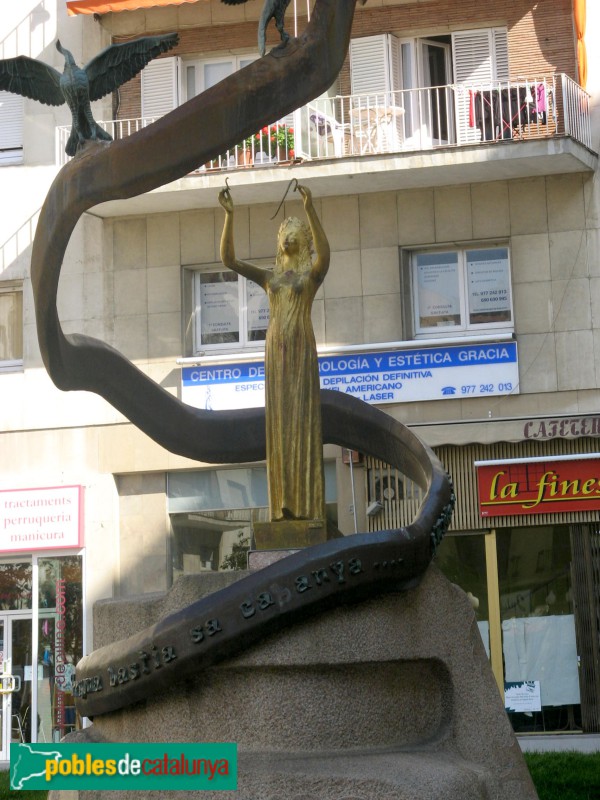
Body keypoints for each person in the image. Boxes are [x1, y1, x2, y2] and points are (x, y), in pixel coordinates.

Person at [219, 183, 330, 523]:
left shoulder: (310, 277)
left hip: (299, 350)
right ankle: (282, 503)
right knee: (280, 426)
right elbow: (229, 260)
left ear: (303, 240)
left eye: (296, 232)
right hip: (275, 352)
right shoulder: (270, 279)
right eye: (286, 233)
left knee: (302, 422)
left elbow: (325, 256)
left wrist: (310, 209)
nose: (288, 237)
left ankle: (306, 506)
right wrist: (229, 215)